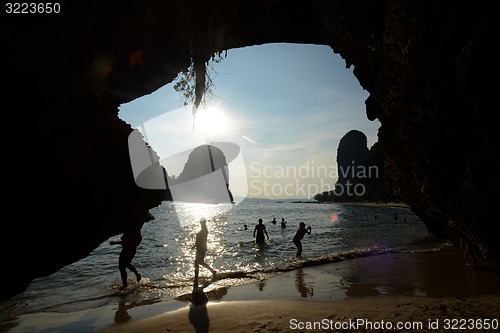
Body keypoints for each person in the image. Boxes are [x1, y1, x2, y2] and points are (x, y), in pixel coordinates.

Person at [110, 224, 143, 290]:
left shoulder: (132, 231)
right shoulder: (132, 230)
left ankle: (125, 285)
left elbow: (126, 241)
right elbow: (125, 241)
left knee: (122, 267)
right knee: (126, 265)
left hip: (129, 250)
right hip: (127, 249)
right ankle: (136, 275)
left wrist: (115, 243)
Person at [194, 218, 217, 287]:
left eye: (201, 222)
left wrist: (197, 244)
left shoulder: (204, 230)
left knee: (197, 262)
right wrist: (195, 245)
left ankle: (196, 278)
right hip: (200, 248)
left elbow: (202, 239)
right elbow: (200, 239)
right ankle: (212, 271)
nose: (200, 223)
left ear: (203, 223)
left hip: (201, 248)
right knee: (199, 262)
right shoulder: (203, 230)